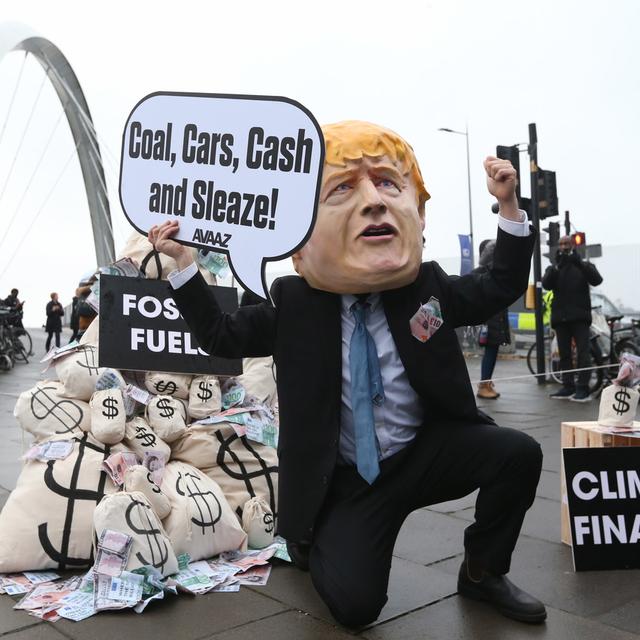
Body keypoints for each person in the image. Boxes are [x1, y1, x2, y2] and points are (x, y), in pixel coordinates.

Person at [149, 121, 545, 625]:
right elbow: (221, 336)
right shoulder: (293, 303)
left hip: (422, 451)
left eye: (388, 184)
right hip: (349, 479)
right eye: (342, 189)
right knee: (354, 608)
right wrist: (183, 264)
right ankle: (318, 538)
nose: (374, 202)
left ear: (418, 218)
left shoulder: (427, 286)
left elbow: (499, 283)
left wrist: (508, 205)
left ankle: (483, 573)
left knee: (518, 455)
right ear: (297, 240)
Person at [542, 235, 603, 402]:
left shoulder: (583, 265)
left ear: (572, 246)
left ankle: (583, 388)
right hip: (561, 317)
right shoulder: (554, 266)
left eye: (566, 243)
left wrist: (580, 264)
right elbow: (546, 284)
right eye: (561, 244)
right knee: (565, 354)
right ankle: (567, 386)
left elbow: (597, 280)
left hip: (579, 317)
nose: (563, 246)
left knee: (583, 353)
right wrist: (555, 267)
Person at [476, 239, 511, 399]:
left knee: (492, 350)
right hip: (491, 319)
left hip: (494, 318)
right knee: (490, 351)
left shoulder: (486, 271)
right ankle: (484, 385)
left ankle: (486, 383)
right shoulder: (487, 272)